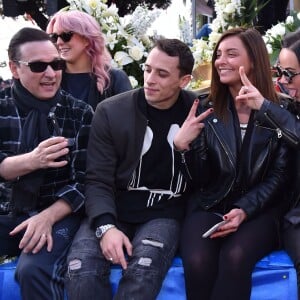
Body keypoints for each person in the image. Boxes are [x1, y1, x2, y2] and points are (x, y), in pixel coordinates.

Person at [64, 38, 212, 300]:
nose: (150, 79)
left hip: (165, 212)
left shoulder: (201, 114)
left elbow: (207, 180)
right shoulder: (111, 111)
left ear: (184, 80)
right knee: (81, 270)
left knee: (142, 272)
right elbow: (97, 179)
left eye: (162, 73)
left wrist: (186, 147)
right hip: (115, 207)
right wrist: (106, 227)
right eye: (147, 69)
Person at [174, 27, 291, 300]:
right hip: (211, 204)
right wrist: (183, 148)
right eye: (218, 54)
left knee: (236, 256)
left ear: (253, 60)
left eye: (231, 54)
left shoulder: (280, 111)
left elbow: (281, 175)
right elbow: (200, 180)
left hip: (262, 209)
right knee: (198, 261)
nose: (220, 61)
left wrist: (245, 210)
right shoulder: (206, 107)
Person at [0, 27, 93, 299]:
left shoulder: (79, 112)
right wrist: (31, 161)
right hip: (8, 211)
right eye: (39, 66)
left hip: (58, 214)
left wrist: (46, 217)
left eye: (56, 64)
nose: (51, 74)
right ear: (15, 69)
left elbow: (86, 181)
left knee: (32, 271)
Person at [241, 29, 300, 296]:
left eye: (290, 74)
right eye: (280, 71)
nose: (283, 81)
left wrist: (264, 106)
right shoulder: (285, 107)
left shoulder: (275, 109)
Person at [46, 10, 132, 111]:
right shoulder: (50, 77)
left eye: (66, 36)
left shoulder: (115, 79)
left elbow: (128, 121)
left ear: (86, 39)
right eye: (55, 37)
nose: (59, 42)